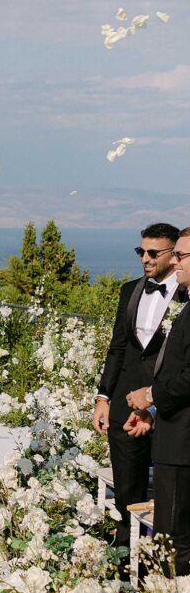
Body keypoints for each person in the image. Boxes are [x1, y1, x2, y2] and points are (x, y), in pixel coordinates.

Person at [93, 223, 182, 552]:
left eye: (152, 252)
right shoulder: (130, 291)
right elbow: (117, 349)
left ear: (174, 256)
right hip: (124, 405)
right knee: (127, 489)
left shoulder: (186, 295)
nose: (144, 258)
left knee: (169, 493)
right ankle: (124, 556)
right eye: (140, 251)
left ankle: (163, 558)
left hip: (168, 409)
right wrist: (103, 398)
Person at [125, 228, 190, 574]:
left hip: (182, 447)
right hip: (172, 435)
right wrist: (152, 411)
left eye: (181, 255)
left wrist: (150, 396)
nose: (174, 262)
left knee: (174, 546)